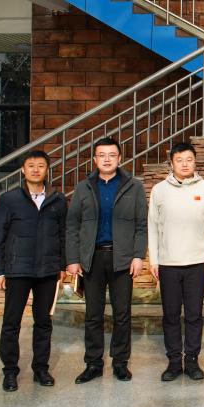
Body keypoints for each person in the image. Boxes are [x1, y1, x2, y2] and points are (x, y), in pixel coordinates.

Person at [66, 136, 148, 384]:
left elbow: (141, 225)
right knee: (93, 314)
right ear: (95, 159)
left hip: (122, 258)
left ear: (119, 158)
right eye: (102, 155)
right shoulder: (84, 187)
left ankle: (120, 362)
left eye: (112, 155)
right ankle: (93, 363)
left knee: (122, 313)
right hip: (92, 258)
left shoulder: (133, 186)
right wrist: (73, 259)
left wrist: (138, 255)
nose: (107, 159)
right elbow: (72, 225)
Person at [0, 149, 67, 392]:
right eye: (31, 165)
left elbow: (63, 235)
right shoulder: (8, 200)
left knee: (43, 322)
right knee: (11, 323)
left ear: (47, 170)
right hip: (17, 270)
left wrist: (62, 265)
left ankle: (41, 369)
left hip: (47, 271)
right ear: (23, 170)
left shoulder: (57, 200)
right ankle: (10, 371)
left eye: (40, 166)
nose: (36, 170)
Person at [148, 142, 204, 382]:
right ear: (171, 163)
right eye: (179, 160)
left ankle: (192, 360)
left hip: (197, 263)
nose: (185, 164)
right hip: (168, 263)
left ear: (195, 161)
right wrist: (154, 260)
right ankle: (173, 361)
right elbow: (152, 227)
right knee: (170, 315)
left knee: (194, 315)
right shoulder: (159, 190)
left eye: (189, 159)